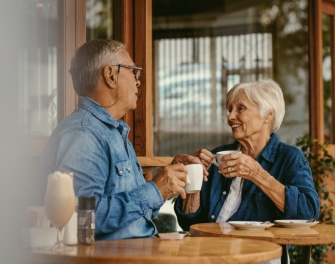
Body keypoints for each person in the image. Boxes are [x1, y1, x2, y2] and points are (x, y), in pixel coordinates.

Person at [41, 39, 201, 240]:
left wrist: (164, 185)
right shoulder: (83, 134)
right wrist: (155, 189)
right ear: (110, 75)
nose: (138, 80)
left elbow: (140, 215)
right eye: (134, 71)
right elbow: (83, 219)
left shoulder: (113, 131)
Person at [174, 79, 320, 230]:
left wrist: (257, 174)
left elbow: (309, 214)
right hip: (211, 249)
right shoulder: (217, 156)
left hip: (260, 251)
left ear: (268, 115)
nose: (230, 117)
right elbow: (188, 224)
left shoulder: (289, 158)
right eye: (230, 110)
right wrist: (194, 180)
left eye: (240, 108)